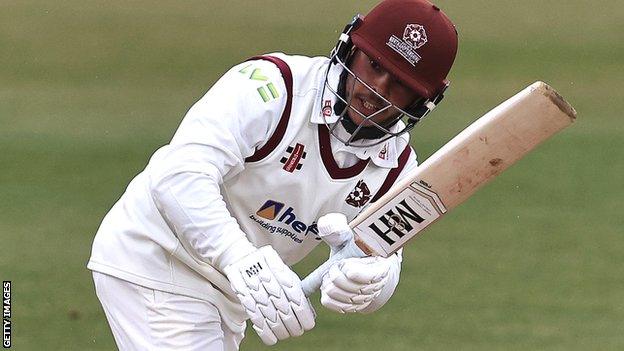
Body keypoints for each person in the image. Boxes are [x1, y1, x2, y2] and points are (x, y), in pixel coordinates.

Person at [87, 0, 458, 349]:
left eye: (400, 84)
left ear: (422, 101)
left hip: (230, 295)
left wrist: (369, 283)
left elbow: (384, 256)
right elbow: (178, 174)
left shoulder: (398, 169)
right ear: (349, 49)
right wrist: (238, 257)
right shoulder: (272, 86)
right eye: (374, 65)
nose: (377, 90)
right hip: (157, 257)